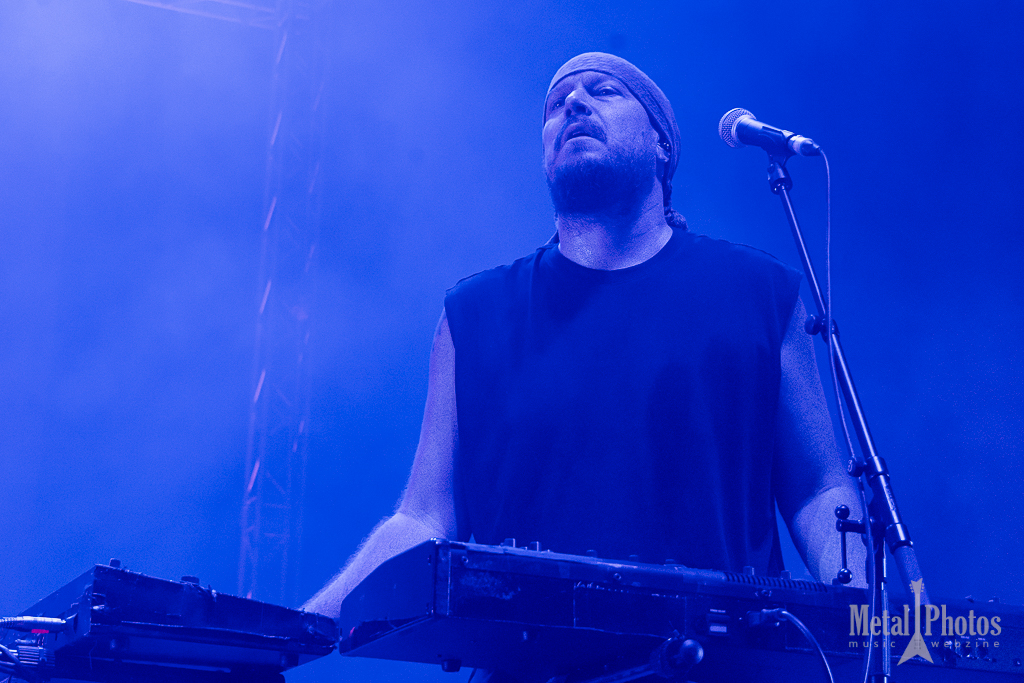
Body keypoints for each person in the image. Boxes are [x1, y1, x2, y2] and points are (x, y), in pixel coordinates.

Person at [304, 53, 862, 633]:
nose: (573, 104)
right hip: (531, 661)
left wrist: (873, 631)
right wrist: (299, 631)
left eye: (604, 91)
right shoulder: (473, 314)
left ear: (662, 144)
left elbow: (819, 489)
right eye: (555, 104)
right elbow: (423, 518)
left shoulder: (759, 293)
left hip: (722, 661)